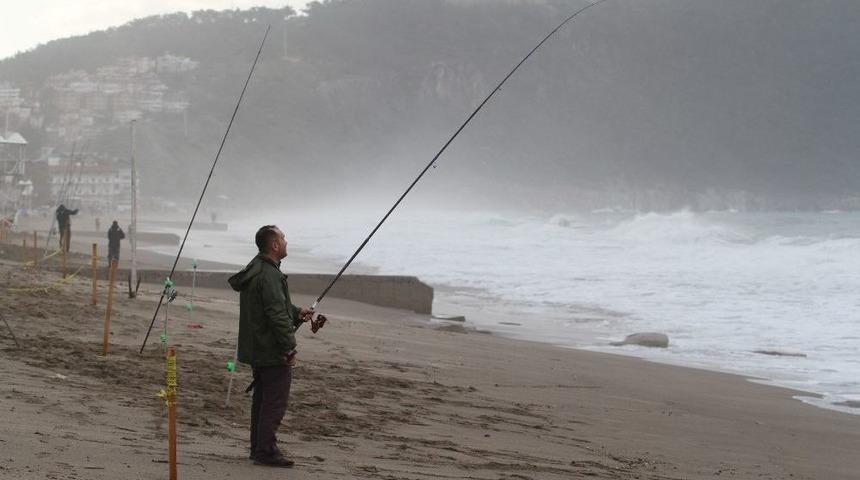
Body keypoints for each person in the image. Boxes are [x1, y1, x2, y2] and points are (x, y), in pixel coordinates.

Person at [228, 225, 314, 468]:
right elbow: (276, 315)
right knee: (274, 402)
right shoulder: (270, 275)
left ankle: (259, 447)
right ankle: (266, 450)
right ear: (274, 246)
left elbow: (275, 307)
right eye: (283, 238)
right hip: (270, 348)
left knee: (263, 399)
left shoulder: (258, 269)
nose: (286, 242)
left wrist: (297, 313)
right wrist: (289, 348)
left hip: (258, 345)